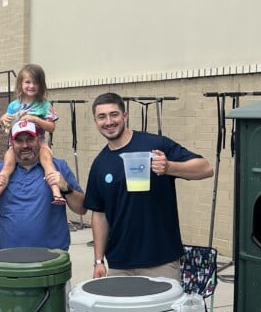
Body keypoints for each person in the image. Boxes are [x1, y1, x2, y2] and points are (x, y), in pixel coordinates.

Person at [85, 92, 213, 281]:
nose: (108, 122)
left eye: (114, 114)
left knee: (163, 311)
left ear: (125, 116)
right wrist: (98, 261)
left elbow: (206, 168)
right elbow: (99, 214)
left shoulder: (155, 145)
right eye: (101, 117)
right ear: (96, 122)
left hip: (161, 261)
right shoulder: (99, 164)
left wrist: (170, 166)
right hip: (120, 264)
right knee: (123, 311)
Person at [0, 119, 86, 249]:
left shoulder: (59, 166)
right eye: (19, 141)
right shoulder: (0, 170)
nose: (25, 145)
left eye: (30, 139)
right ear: (12, 144)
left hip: (52, 257)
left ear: (39, 141)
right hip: (10, 257)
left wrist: (66, 188)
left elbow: (81, 209)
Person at [0, 63, 65, 205]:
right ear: (20, 84)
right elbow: (7, 125)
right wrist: (3, 119)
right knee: (7, 166)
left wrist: (35, 119)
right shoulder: (13, 105)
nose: (31, 86)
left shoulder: (45, 105)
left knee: (48, 163)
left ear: (41, 85)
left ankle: (56, 194)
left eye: (36, 82)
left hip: (38, 142)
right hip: (15, 144)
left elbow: (51, 127)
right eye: (28, 82)